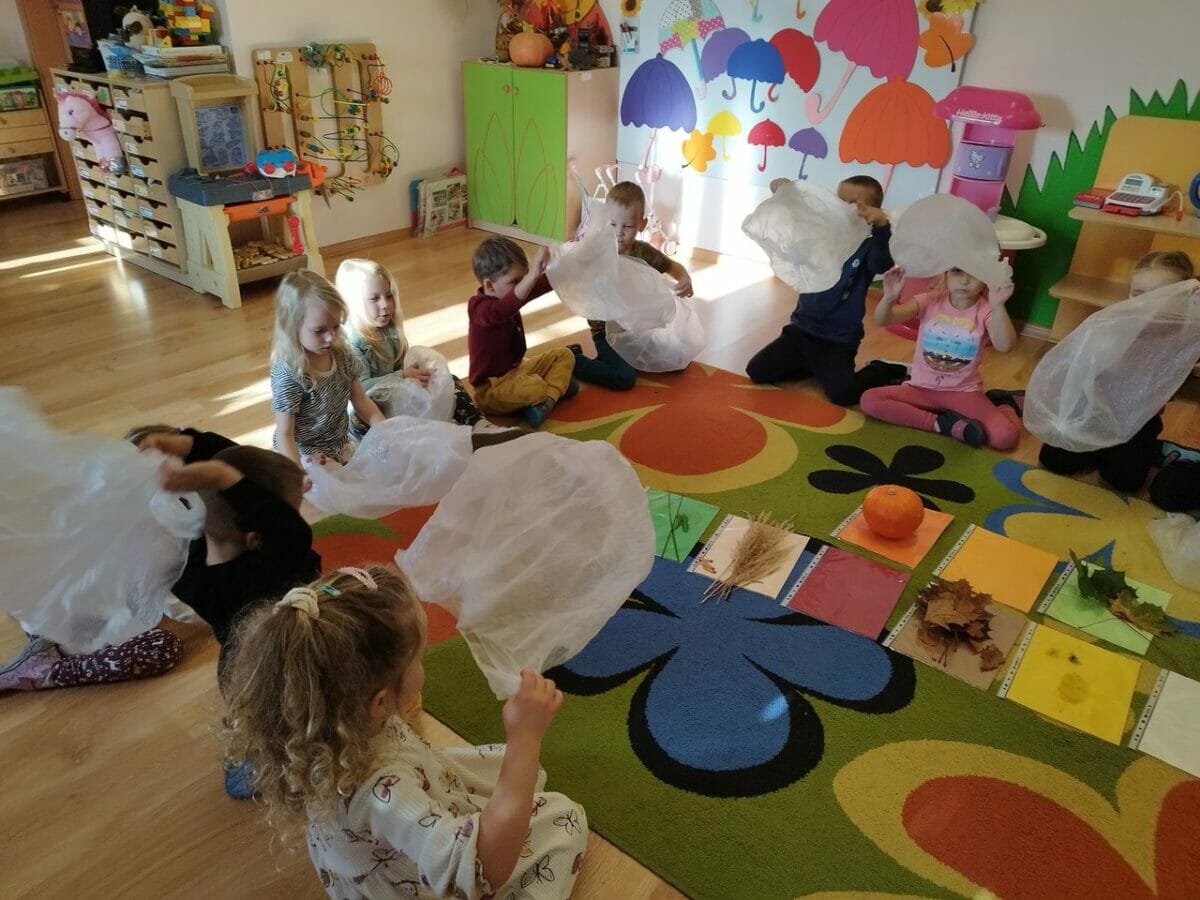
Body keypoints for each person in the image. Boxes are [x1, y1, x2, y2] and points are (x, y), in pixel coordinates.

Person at [223, 565, 588, 899]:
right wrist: (525, 739)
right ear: (380, 702)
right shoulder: (384, 793)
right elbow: (482, 869)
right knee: (564, 819)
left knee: (514, 775)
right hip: (415, 880)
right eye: (419, 658)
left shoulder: (324, 727)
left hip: (380, 842)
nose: (423, 666)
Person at [0, 426, 320, 704]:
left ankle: (46, 649)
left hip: (58, 607)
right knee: (161, 648)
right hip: (281, 682)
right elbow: (287, 529)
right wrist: (213, 467)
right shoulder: (283, 569)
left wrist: (195, 450)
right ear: (256, 537)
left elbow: (242, 485)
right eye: (294, 509)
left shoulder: (189, 570)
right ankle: (48, 665)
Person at [997, 251, 1195, 495]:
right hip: (1091, 409)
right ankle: (1016, 401)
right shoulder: (1112, 325)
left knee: (1124, 482)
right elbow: (1079, 374)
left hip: (1136, 420)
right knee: (1055, 461)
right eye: (1138, 294)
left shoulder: (1186, 333)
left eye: (1160, 296)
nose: (1146, 304)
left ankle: (1143, 450)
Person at [745, 175, 908, 406]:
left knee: (843, 395)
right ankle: (810, 365)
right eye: (839, 201)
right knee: (757, 370)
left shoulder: (869, 244)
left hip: (837, 341)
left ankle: (880, 369)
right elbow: (795, 213)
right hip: (800, 331)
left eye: (853, 205)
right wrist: (785, 189)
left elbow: (881, 263)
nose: (843, 209)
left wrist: (883, 226)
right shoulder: (821, 233)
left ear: (871, 212)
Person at [336, 258, 522, 447]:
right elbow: (362, 391)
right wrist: (402, 376)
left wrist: (418, 373)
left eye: (389, 296)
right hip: (368, 413)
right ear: (354, 303)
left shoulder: (390, 330)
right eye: (374, 299)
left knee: (448, 379)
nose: (385, 304)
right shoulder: (354, 342)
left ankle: (478, 424)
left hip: (393, 396)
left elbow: (402, 366)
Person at [861, 264, 1020, 449]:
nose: (964, 281)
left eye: (975, 273)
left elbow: (1005, 346)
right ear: (946, 273)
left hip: (963, 392)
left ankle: (1004, 402)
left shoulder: (985, 310)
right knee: (870, 400)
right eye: (957, 271)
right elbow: (883, 319)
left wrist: (998, 307)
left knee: (1005, 437)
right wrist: (889, 298)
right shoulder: (930, 300)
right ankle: (943, 424)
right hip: (920, 389)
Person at [570, 181, 695, 391]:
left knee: (677, 358)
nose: (619, 233)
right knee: (624, 377)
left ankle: (614, 360)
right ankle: (574, 359)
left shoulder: (643, 252)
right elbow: (574, 268)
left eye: (627, 226)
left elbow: (674, 268)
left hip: (637, 330)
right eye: (612, 224)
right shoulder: (597, 252)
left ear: (642, 224)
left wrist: (685, 279)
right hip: (605, 333)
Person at [271, 270, 386, 466]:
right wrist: (298, 475)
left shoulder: (342, 354)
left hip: (340, 444)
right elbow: (284, 435)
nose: (331, 337)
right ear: (291, 327)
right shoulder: (289, 374)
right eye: (319, 330)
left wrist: (386, 429)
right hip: (304, 455)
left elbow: (361, 401)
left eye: (336, 327)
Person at [468, 236, 578, 428]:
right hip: (491, 388)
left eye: (524, 278)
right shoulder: (480, 309)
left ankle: (548, 399)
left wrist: (573, 264)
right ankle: (552, 390)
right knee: (536, 387)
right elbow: (502, 310)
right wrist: (532, 274)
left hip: (517, 369)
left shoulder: (509, 294)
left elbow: (541, 285)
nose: (523, 285)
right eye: (515, 281)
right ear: (489, 285)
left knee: (565, 355)